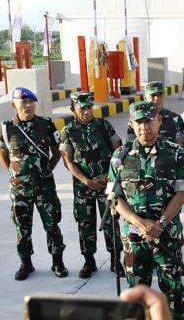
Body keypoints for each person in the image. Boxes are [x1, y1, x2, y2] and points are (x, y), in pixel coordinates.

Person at [109, 101, 184, 320]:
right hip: (134, 238)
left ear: (159, 121)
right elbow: (115, 199)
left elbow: (181, 193)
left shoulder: (175, 153)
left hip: (166, 235)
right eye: (139, 122)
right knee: (136, 296)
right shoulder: (120, 157)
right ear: (131, 124)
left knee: (172, 293)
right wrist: (141, 223)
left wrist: (160, 224)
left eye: (149, 121)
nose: (144, 127)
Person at [0, 87, 68, 281]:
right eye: (24, 102)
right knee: (22, 227)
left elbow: (57, 151)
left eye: (31, 102)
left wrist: (47, 170)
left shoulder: (46, 124)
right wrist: (15, 173)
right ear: (14, 104)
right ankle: (26, 263)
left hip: (45, 186)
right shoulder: (6, 127)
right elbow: (3, 153)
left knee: (52, 224)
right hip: (20, 188)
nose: (28, 106)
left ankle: (58, 262)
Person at [60, 92, 125, 278]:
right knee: (85, 224)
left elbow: (118, 151)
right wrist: (86, 181)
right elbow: (68, 161)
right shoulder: (68, 130)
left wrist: (108, 175)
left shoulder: (104, 125)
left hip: (107, 185)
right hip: (83, 187)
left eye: (89, 107)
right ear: (73, 108)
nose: (87, 112)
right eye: (82, 108)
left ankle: (115, 260)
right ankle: (89, 261)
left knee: (111, 222)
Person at [127, 81, 184, 147]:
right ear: (145, 97)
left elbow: (180, 147)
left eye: (160, 95)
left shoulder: (176, 119)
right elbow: (130, 145)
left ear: (164, 96)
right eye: (153, 95)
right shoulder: (137, 119)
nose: (157, 99)